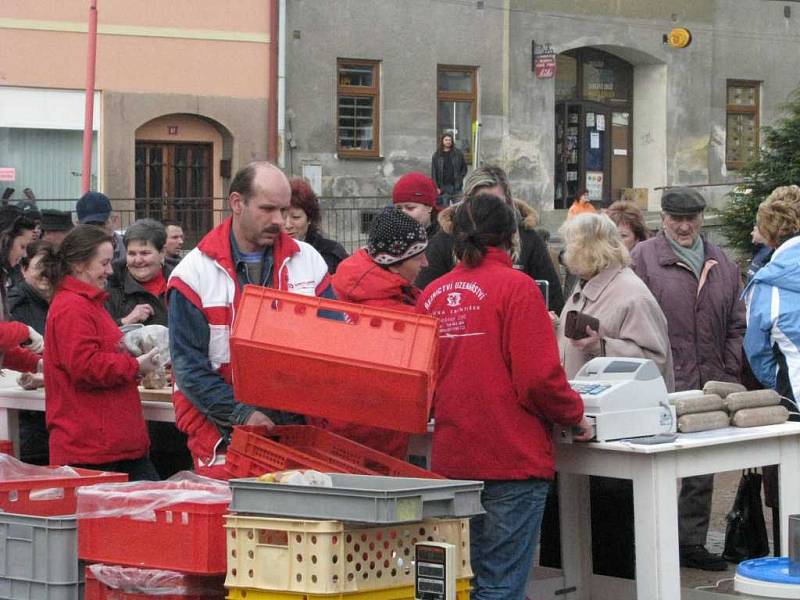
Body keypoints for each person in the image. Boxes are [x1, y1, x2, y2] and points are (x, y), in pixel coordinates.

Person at [418, 192, 591, 600]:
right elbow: (538, 379)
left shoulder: (432, 295)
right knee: (500, 586)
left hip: (453, 457)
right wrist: (575, 414)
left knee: (463, 583)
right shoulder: (519, 289)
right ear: (512, 237)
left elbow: (423, 381)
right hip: (510, 458)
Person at [168, 161, 336, 478]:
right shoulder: (193, 275)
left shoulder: (308, 260)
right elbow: (189, 370)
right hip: (225, 442)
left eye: (284, 210)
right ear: (237, 203)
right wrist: (243, 414)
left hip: (300, 436)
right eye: (268, 209)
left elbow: (334, 338)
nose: (279, 221)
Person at [631, 187, 746, 571]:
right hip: (659, 379)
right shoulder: (643, 259)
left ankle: (691, 542)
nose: (683, 226)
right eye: (675, 219)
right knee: (656, 465)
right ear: (662, 219)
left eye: (690, 219)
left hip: (710, 378)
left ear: (701, 219)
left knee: (700, 467)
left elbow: (736, 323)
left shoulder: (722, 262)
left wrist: (728, 369)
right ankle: (651, 541)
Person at [557, 213, 673, 579]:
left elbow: (655, 360)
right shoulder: (585, 284)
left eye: (570, 244)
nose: (564, 252)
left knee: (613, 528)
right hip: (587, 422)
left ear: (589, 249)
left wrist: (602, 345)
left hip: (621, 430)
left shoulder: (631, 293)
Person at [40, 225, 162, 480]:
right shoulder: (73, 307)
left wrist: (131, 350)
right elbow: (85, 366)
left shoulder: (85, 303)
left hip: (107, 444)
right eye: (104, 263)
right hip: (94, 448)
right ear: (80, 265)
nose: (110, 270)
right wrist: (135, 365)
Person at [328, 207, 428, 457]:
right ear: (394, 264)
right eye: (418, 257)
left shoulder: (335, 288)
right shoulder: (398, 315)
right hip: (378, 440)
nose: (426, 263)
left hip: (334, 426)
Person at [416, 165, 565, 314]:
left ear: (508, 202)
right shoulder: (446, 239)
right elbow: (425, 297)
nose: (490, 211)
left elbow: (553, 300)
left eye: (497, 204)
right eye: (481, 203)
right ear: (467, 203)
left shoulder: (528, 239)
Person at [744, 186, 800, 406]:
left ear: (768, 234)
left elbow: (757, 351)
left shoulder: (764, 284)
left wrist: (779, 381)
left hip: (794, 391)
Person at [9, 240, 53, 465]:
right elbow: (8, 347)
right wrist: (23, 330)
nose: (46, 273)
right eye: (40, 266)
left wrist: (43, 366)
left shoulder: (55, 300)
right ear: (24, 269)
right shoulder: (15, 303)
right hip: (28, 418)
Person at [106, 219, 170, 328]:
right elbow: (100, 333)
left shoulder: (180, 283)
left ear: (162, 252)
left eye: (145, 253)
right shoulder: (110, 286)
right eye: (131, 254)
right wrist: (125, 322)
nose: (138, 260)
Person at [285, 178, 348, 274]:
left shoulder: (332, 253)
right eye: (283, 217)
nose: (288, 225)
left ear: (309, 218)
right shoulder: (268, 253)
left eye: (296, 217)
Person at [76, 191, 124, 262]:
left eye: (100, 224)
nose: (96, 230)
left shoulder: (128, 248)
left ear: (115, 220)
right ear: (78, 226)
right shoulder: (73, 254)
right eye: (89, 226)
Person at [392, 172, 441, 238]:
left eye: (410, 208)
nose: (403, 213)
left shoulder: (447, 238)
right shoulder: (389, 236)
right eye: (398, 208)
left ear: (429, 207)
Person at [430, 133, 467, 207]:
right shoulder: (437, 155)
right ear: (442, 141)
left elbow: (464, 168)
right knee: (443, 210)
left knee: (459, 209)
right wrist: (436, 187)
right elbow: (434, 173)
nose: (448, 142)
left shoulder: (458, 153)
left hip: (456, 187)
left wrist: (460, 179)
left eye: (450, 140)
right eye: (446, 140)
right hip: (443, 188)